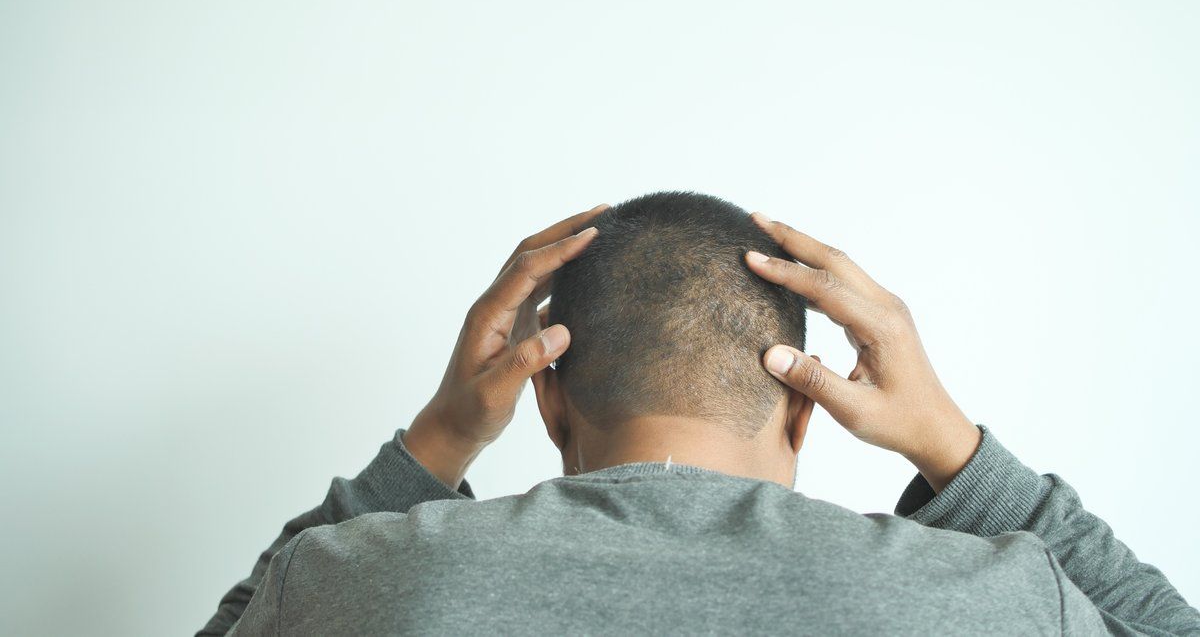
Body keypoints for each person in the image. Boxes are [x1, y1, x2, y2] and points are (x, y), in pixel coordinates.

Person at [199, 192, 1199, 635]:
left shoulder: (353, 583)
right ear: (806, 410)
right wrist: (953, 447)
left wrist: (440, 439)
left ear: (545, 401)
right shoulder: (991, 601)